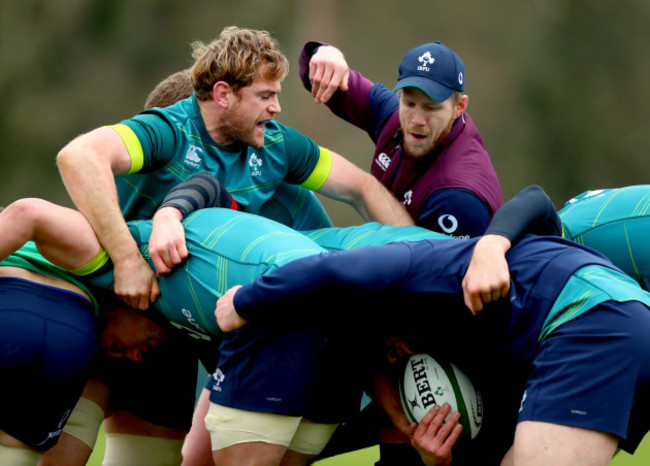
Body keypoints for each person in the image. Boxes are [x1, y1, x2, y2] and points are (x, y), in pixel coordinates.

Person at [55, 25, 414, 464]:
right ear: (223, 94)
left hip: (178, 323)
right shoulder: (170, 129)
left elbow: (362, 188)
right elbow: (77, 157)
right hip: (114, 306)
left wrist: (411, 272)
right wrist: (129, 259)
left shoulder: (277, 148)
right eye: (265, 96)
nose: (277, 108)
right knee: (66, 444)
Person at [215, 225, 650, 466]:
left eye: (392, 349)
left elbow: (335, 270)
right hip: (624, 316)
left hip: (590, 320)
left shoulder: (422, 263)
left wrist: (245, 301)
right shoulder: (484, 359)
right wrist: (435, 463)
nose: (396, 355)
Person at [0, 202, 170, 466]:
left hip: (13, 305)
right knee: (16, 449)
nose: (136, 355)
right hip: (75, 333)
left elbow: (26, 211)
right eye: (147, 345)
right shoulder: (99, 250)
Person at [299, 40, 503, 237]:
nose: (416, 119)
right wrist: (324, 53)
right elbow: (320, 76)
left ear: (459, 107)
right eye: (410, 103)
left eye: (431, 107)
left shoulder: (458, 197)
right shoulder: (393, 115)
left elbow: (434, 270)